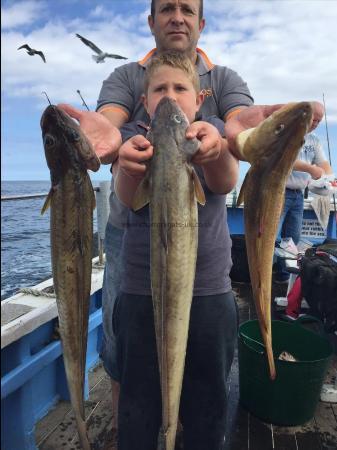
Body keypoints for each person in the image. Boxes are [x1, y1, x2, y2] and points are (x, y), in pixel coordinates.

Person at [58, 0, 324, 430]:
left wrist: (232, 139)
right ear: (151, 21)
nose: (176, 17)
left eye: (186, 9)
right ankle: (144, 426)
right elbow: (109, 124)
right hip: (133, 251)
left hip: (206, 266)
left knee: (203, 381)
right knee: (126, 360)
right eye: (166, 8)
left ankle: (180, 427)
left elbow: (237, 133)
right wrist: (108, 142)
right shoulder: (126, 76)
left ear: (201, 22)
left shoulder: (224, 81)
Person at [114, 49, 239, 450]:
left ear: (200, 98)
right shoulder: (135, 138)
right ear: (144, 100)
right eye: (159, 88)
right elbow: (127, 195)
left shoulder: (213, 131)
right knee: (138, 401)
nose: (169, 96)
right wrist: (129, 166)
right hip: (139, 289)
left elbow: (223, 183)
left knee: (207, 401)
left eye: (180, 87)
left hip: (207, 291)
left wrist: (216, 152)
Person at [275, 102, 333, 283]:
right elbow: (286, 159)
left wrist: (329, 177)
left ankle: (283, 277)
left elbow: (323, 163)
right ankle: (262, 277)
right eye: (313, 119)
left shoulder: (314, 140)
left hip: (298, 195)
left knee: (293, 239)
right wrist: (310, 169)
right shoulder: (288, 133)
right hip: (279, 193)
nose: (315, 123)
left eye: (319, 120)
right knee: (271, 237)